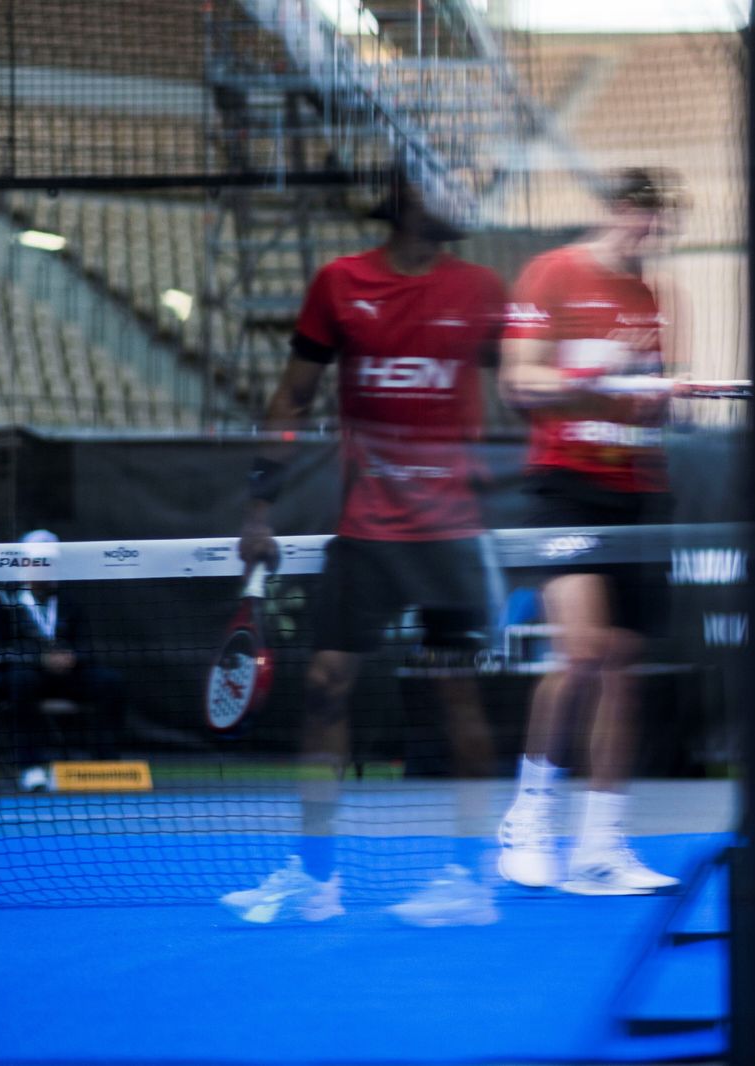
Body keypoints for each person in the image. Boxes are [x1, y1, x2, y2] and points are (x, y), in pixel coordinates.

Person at [219, 169, 507, 925]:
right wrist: (258, 505)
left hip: (451, 535)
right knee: (324, 685)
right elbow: (293, 397)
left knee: (456, 694)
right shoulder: (339, 284)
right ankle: (317, 880)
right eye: (450, 186)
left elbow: (524, 392)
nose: (465, 201)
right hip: (368, 529)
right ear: (408, 198)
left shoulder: (481, 290)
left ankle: (471, 881)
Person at [494, 168, 684, 895]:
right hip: (563, 488)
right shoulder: (552, 272)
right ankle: (529, 818)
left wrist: (656, 394)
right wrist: (600, 379)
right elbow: (519, 383)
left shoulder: (654, 297)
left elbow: (655, 407)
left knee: (622, 673)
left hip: (637, 490)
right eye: (639, 217)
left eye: (659, 223)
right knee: (579, 654)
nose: (648, 233)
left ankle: (601, 846)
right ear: (613, 211)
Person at [0, 529, 127, 790]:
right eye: (40, 562)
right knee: (21, 681)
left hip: (69, 676)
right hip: (26, 677)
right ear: (24, 565)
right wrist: (39, 659)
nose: (47, 568)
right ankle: (31, 767)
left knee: (110, 682)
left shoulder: (70, 603)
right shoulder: (4, 604)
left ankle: (105, 764)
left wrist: (72, 657)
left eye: (51, 562)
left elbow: (87, 647)